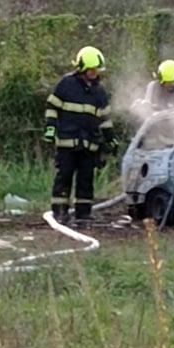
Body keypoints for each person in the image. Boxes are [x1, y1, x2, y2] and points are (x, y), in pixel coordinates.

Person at [43, 46, 117, 225]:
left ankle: (83, 215)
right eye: (91, 69)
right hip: (67, 143)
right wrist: (50, 128)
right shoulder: (66, 85)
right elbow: (52, 107)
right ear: (82, 68)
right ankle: (60, 213)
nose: (94, 73)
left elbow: (105, 120)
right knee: (64, 177)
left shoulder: (99, 92)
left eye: (96, 70)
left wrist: (110, 139)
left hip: (89, 145)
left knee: (86, 181)